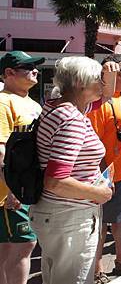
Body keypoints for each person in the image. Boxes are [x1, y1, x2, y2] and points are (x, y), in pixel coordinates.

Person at [31, 57, 114, 284]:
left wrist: (110, 72)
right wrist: (100, 194)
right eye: (98, 79)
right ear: (80, 82)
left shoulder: (57, 105)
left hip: (56, 214)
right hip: (69, 216)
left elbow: (106, 95)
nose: (103, 84)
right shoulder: (72, 119)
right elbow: (56, 181)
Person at [88, 56, 121, 281]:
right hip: (110, 174)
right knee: (102, 224)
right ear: (117, 73)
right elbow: (94, 139)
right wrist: (103, 177)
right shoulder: (102, 102)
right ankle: (97, 269)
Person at [0, 51, 44, 284]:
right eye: (28, 67)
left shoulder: (33, 104)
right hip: (12, 192)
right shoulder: (3, 101)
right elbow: (1, 150)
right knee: (24, 244)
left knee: (11, 247)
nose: (35, 70)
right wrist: (12, 189)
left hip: (28, 187)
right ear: (9, 73)